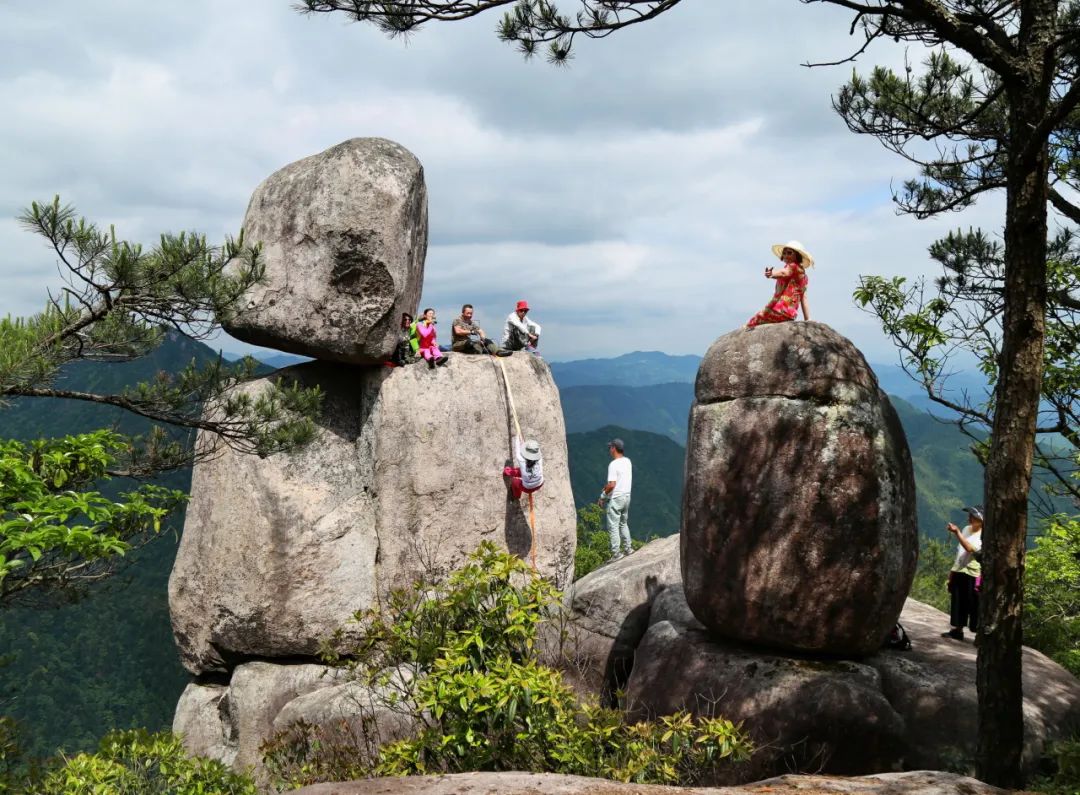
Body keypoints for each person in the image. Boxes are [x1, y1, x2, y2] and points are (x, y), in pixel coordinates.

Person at [745, 240, 813, 328]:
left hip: (779, 309)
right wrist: (808, 320)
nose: (786, 255)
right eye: (784, 253)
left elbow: (784, 273)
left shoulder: (793, 266)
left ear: (797, 255)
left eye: (789, 253)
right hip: (790, 314)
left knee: (751, 324)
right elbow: (803, 297)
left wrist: (772, 274)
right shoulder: (804, 276)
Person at [942, 505, 984, 641]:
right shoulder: (967, 529)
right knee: (958, 601)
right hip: (960, 569)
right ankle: (958, 630)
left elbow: (971, 549)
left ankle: (979, 634)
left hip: (973, 572)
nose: (969, 518)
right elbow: (961, 550)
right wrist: (953, 571)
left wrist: (957, 532)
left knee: (974, 604)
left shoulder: (983, 535)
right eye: (970, 515)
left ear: (981, 520)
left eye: (973, 516)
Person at [597, 438, 632, 562]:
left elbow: (612, 485)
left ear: (614, 448)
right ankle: (628, 549)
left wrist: (602, 496)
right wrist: (606, 487)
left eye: (610, 447)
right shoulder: (627, 461)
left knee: (613, 526)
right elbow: (618, 481)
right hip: (627, 497)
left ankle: (616, 554)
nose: (609, 450)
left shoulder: (613, 464)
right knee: (623, 523)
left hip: (616, 498)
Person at [503, 435, 544, 499]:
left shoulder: (521, 460)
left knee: (514, 481)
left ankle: (517, 495)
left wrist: (518, 437)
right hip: (539, 484)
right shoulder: (540, 458)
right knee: (522, 471)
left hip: (527, 488)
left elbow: (517, 446)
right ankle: (508, 472)